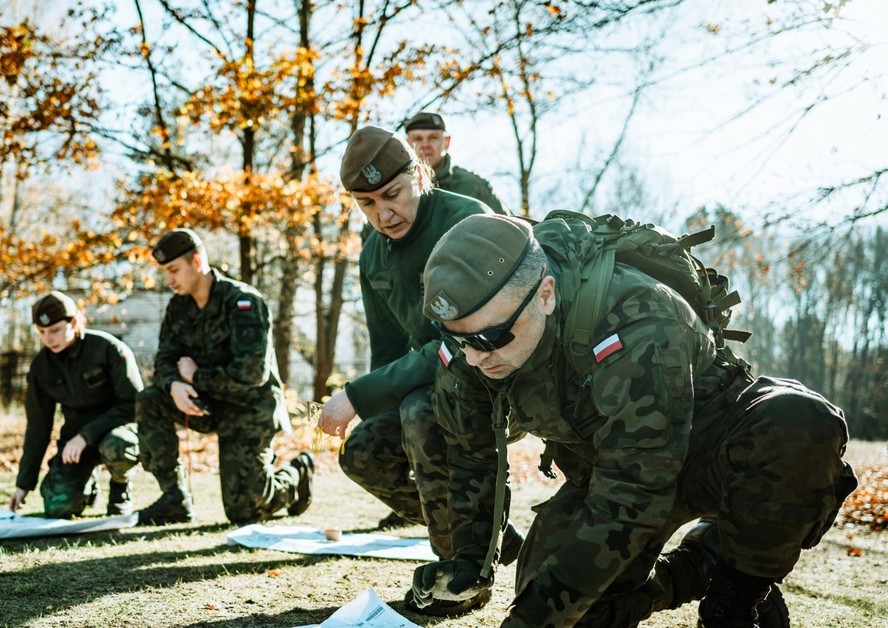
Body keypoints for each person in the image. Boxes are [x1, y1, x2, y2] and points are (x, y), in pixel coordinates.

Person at [412, 213, 857, 626]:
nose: (472, 356)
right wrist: (470, 563)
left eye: (490, 338)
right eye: (455, 338)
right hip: (610, 465)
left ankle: (737, 593)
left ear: (545, 294)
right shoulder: (469, 347)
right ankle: (698, 565)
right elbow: (471, 457)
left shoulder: (637, 319)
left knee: (798, 423)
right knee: (569, 609)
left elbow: (635, 492)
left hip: (713, 448)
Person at [314, 125, 518, 615]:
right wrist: (369, 407)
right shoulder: (372, 252)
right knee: (362, 452)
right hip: (428, 381)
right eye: (365, 204)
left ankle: (460, 574)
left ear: (420, 174)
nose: (383, 214)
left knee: (417, 409)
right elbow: (387, 349)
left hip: (497, 375)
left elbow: (462, 339)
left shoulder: (466, 220)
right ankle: (485, 527)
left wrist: (358, 395)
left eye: (392, 195)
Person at [135, 228, 314, 526]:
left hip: (249, 409)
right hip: (207, 404)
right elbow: (164, 359)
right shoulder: (178, 307)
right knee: (150, 399)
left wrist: (195, 375)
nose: (169, 280)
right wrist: (174, 385)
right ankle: (174, 499)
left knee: (244, 512)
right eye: (165, 272)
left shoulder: (242, 302)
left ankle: (297, 474)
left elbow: (252, 374)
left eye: (174, 270)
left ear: (197, 262)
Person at [9, 291, 143, 519]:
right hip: (74, 444)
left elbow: (134, 405)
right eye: (42, 332)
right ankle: (87, 486)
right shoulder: (41, 367)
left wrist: (86, 435)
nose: (48, 338)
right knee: (57, 506)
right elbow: (37, 428)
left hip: (118, 431)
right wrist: (24, 484)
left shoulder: (108, 349)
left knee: (117, 446)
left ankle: (120, 488)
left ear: (73, 322)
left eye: (55, 330)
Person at [403, 111, 508, 214]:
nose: (425, 145)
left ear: (446, 142)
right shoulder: (397, 188)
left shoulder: (474, 186)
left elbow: (509, 227)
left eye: (433, 137)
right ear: (407, 144)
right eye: (417, 139)